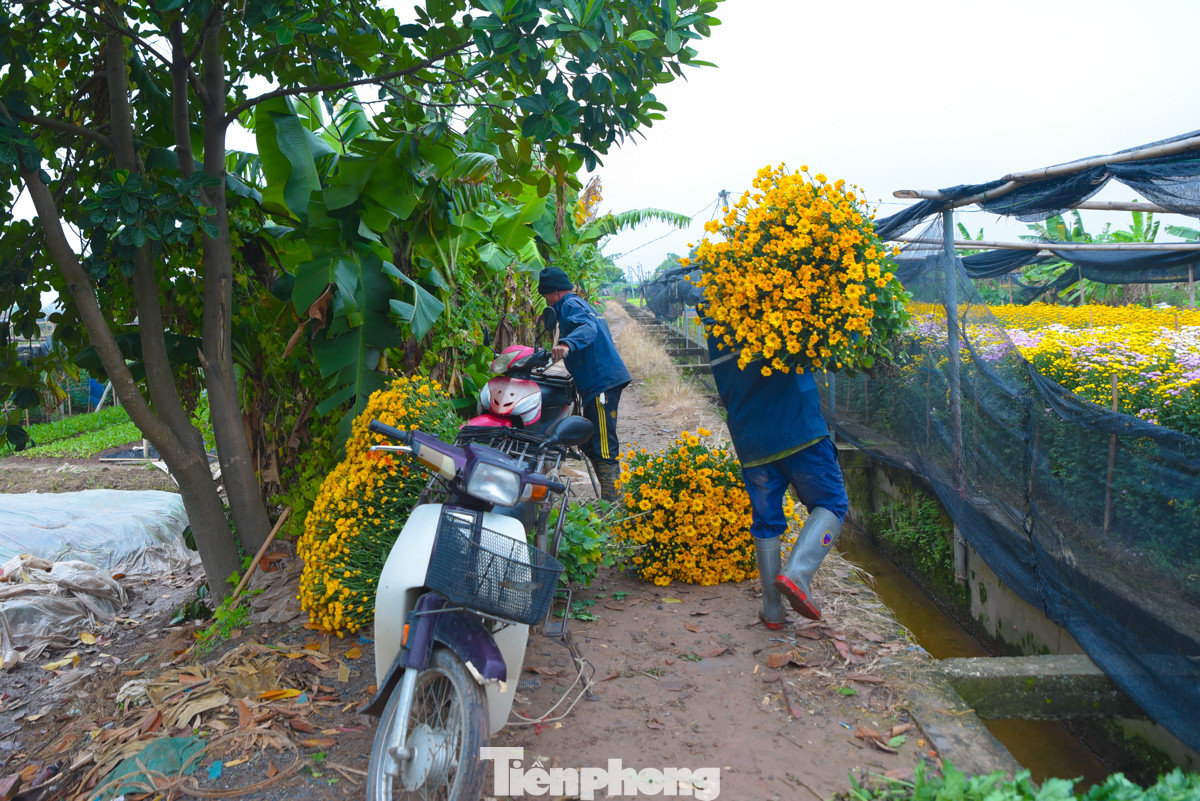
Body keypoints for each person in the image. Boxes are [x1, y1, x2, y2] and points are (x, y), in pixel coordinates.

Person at [704, 321, 849, 627]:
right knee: (833, 503)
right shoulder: (779, 309)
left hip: (752, 440)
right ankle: (797, 573)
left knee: (766, 522)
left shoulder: (716, 328)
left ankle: (772, 610)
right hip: (800, 430)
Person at [538, 267, 631, 503]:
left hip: (601, 384)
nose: (545, 300)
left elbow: (587, 330)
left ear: (554, 292)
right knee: (589, 442)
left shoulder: (571, 306)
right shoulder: (578, 305)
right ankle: (609, 497)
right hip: (596, 384)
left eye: (545, 295)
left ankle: (613, 506)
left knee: (604, 445)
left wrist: (567, 344)